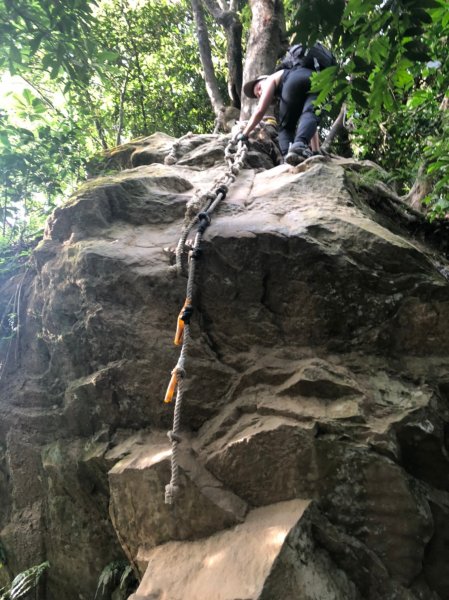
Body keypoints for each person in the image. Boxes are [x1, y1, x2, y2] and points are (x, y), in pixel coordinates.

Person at [239, 66, 319, 165]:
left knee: (285, 127)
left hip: (295, 80)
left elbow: (260, 110)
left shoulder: (270, 79)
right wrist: (316, 152)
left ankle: (288, 157)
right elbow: (312, 122)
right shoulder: (289, 77)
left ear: (264, 80)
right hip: (316, 80)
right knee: (310, 114)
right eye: (258, 95)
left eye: (259, 88)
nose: (260, 93)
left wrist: (244, 134)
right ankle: (300, 146)